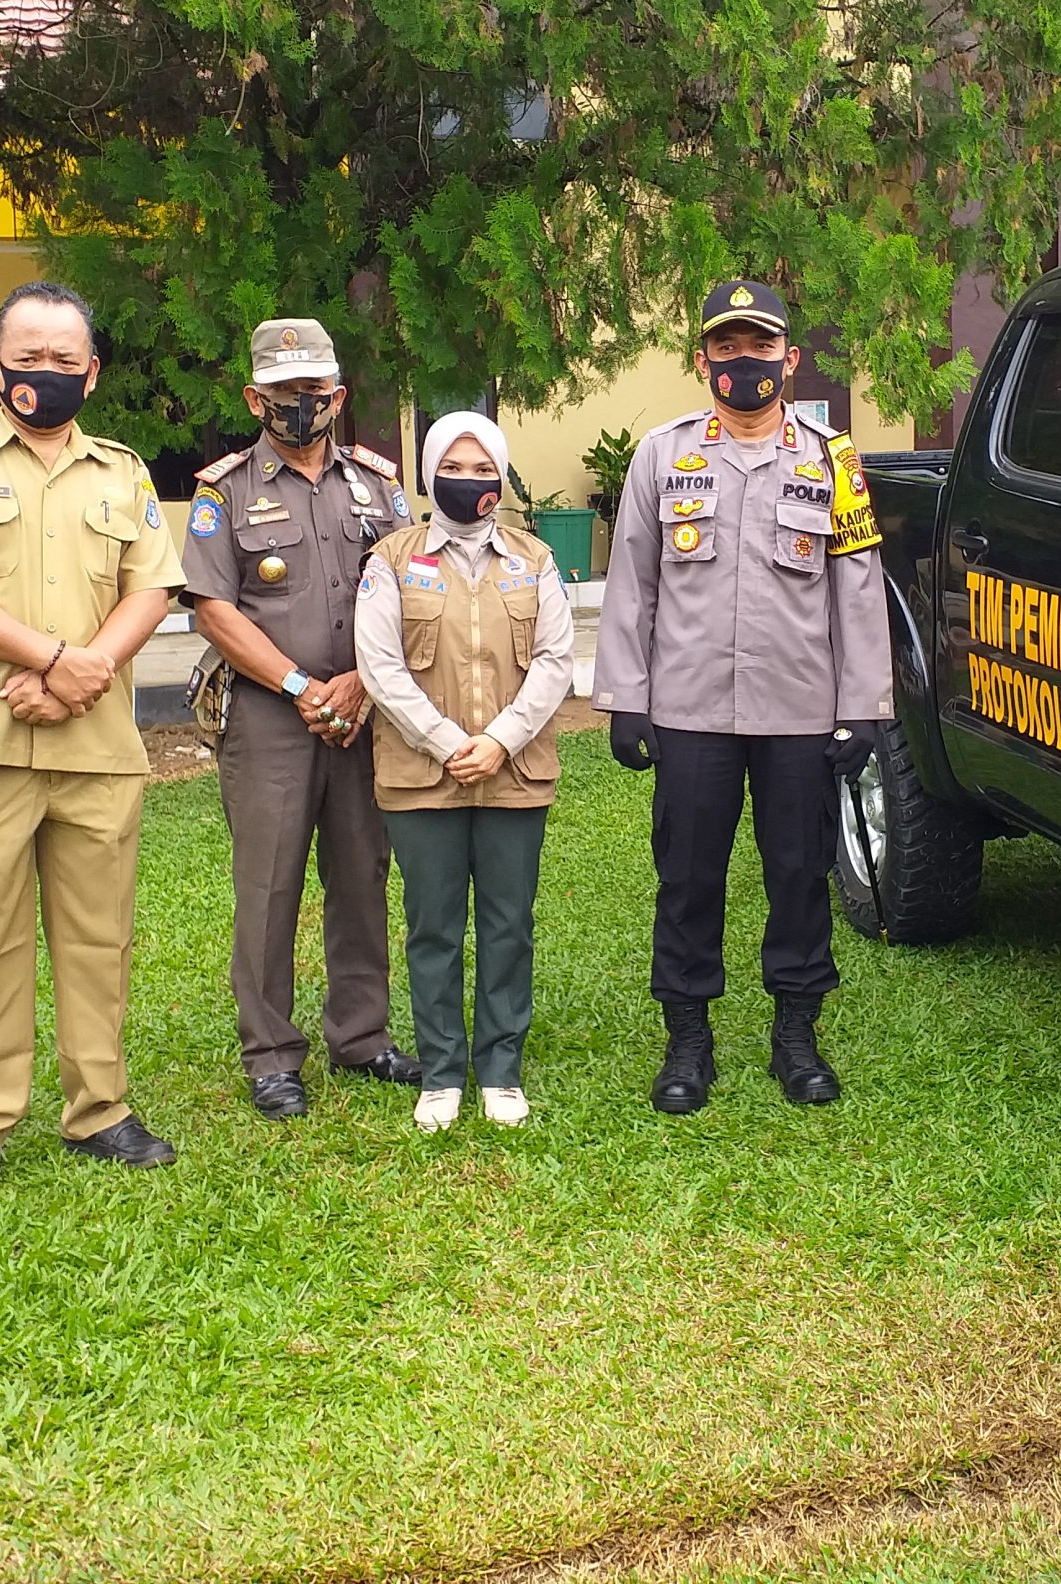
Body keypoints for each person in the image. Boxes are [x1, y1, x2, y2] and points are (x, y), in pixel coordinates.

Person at [0, 282, 185, 1209]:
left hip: (96, 746)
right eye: (28, 356)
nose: (44, 373)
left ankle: (100, 1110)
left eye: (65, 360)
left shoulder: (123, 473)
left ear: (91, 374)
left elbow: (152, 588)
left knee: (100, 940)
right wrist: (57, 658)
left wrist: (86, 670)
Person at [593, 278, 895, 1113]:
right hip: (690, 712)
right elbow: (634, 583)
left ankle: (795, 1037)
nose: (744, 362)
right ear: (703, 361)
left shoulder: (833, 459)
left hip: (800, 712)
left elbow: (857, 584)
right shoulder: (661, 454)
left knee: (798, 873)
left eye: (760, 347)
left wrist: (864, 701)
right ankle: (688, 1042)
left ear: (789, 359)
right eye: (726, 347)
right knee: (688, 877)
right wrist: (625, 697)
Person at [182, 319, 421, 1120]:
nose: (299, 408)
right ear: (255, 398)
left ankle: (361, 1035)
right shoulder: (224, 492)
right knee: (269, 884)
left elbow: (409, 592)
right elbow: (214, 610)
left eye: (314, 393)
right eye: (283, 395)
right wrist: (300, 687)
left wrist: (359, 681)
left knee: (362, 876)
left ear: (338, 396)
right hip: (269, 719)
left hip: (364, 713)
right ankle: (273, 1054)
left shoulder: (382, 488)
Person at [356, 412, 575, 1131]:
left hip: (515, 773)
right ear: (428, 472)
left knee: (510, 923)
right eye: (456, 466)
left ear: (502, 478)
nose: (470, 481)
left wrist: (502, 741)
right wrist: (450, 741)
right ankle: (444, 1070)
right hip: (422, 776)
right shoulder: (391, 559)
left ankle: (502, 1069)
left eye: (486, 470)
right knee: (434, 926)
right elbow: (380, 668)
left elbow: (552, 663)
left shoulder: (535, 560)